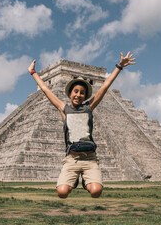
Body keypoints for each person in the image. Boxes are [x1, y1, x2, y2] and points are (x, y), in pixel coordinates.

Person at [28, 52, 136, 198]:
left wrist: (119, 67)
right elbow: (47, 91)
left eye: (82, 93)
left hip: (89, 159)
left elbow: (104, 87)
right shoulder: (64, 108)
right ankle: (73, 182)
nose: (78, 95)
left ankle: (86, 181)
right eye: (76, 91)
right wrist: (33, 73)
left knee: (96, 192)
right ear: (70, 93)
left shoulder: (88, 107)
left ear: (86, 95)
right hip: (72, 159)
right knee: (62, 193)